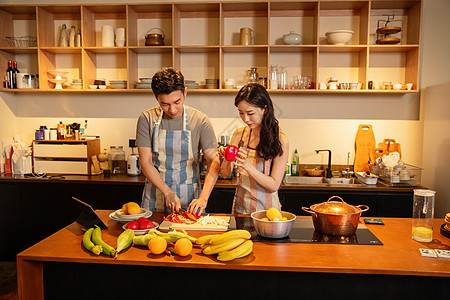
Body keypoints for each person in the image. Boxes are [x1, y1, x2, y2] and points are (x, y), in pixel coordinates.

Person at [136, 67, 220, 214]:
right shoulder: (147, 119)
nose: (173, 109)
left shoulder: (200, 121)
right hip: (156, 195)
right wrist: (167, 192)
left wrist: (204, 198)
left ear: (185, 93)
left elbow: (214, 161)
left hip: (191, 199)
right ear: (156, 98)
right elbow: (145, 162)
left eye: (177, 101)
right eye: (165, 104)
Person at [219, 83, 289, 214]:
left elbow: (274, 185)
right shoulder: (239, 134)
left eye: (250, 113)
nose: (245, 119)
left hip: (267, 212)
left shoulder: (280, 140)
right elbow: (224, 174)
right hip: (241, 208)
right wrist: (227, 157)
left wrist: (247, 166)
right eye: (241, 113)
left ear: (265, 109)